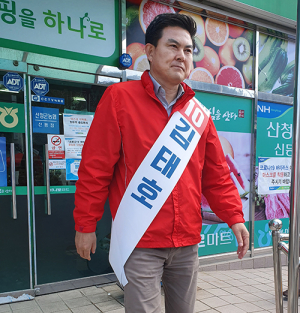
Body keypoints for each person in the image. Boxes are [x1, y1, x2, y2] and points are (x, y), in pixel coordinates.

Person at [74, 13, 249, 313]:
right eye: (173, 47)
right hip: (140, 240)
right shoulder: (119, 99)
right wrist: (86, 225)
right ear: (151, 53)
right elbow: (95, 168)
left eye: (188, 50)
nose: (182, 56)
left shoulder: (199, 116)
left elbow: (216, 176)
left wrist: (234, 216)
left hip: (187, 243)